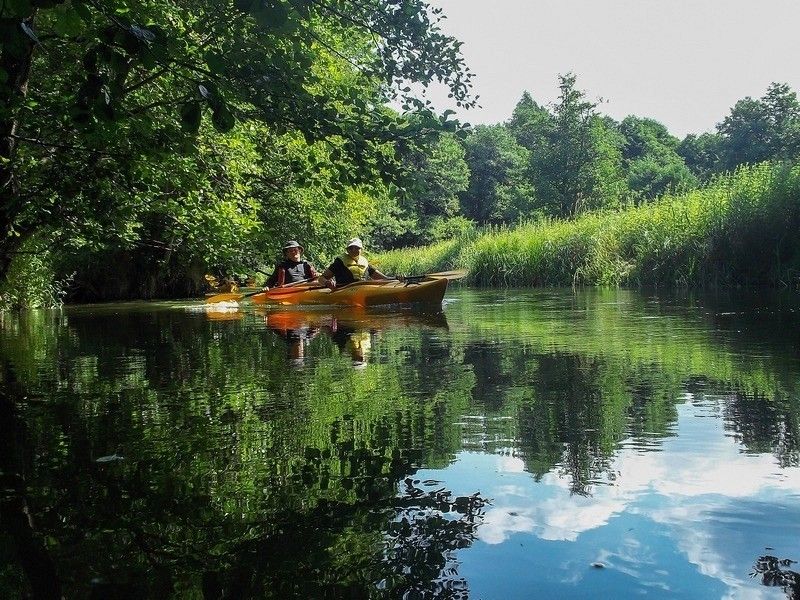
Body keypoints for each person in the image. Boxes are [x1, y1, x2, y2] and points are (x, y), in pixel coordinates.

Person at [318, 238, 389, 290]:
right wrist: (327, 282)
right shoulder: (339, 262)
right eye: (351, 248)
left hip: (365, 289)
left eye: (357, 248)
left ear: (361, 250)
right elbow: (321, 278)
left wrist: (397, 278)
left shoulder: (365, 262)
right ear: (347, 250)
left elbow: (385, 278)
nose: (353, 250)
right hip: (345, 290)